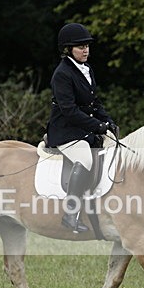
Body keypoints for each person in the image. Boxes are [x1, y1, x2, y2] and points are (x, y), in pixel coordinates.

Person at [46, 23, 117, 233]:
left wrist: (108, 122)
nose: (85, 50)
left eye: (87, 45)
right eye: (80, 47)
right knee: (85, 159)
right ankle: (70, 214)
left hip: (83, 129)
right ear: (68, 49)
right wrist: (97, 126)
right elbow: (70, 111)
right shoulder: (62, 74)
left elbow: (95, 104)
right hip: (66, 130)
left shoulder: (87, 69)